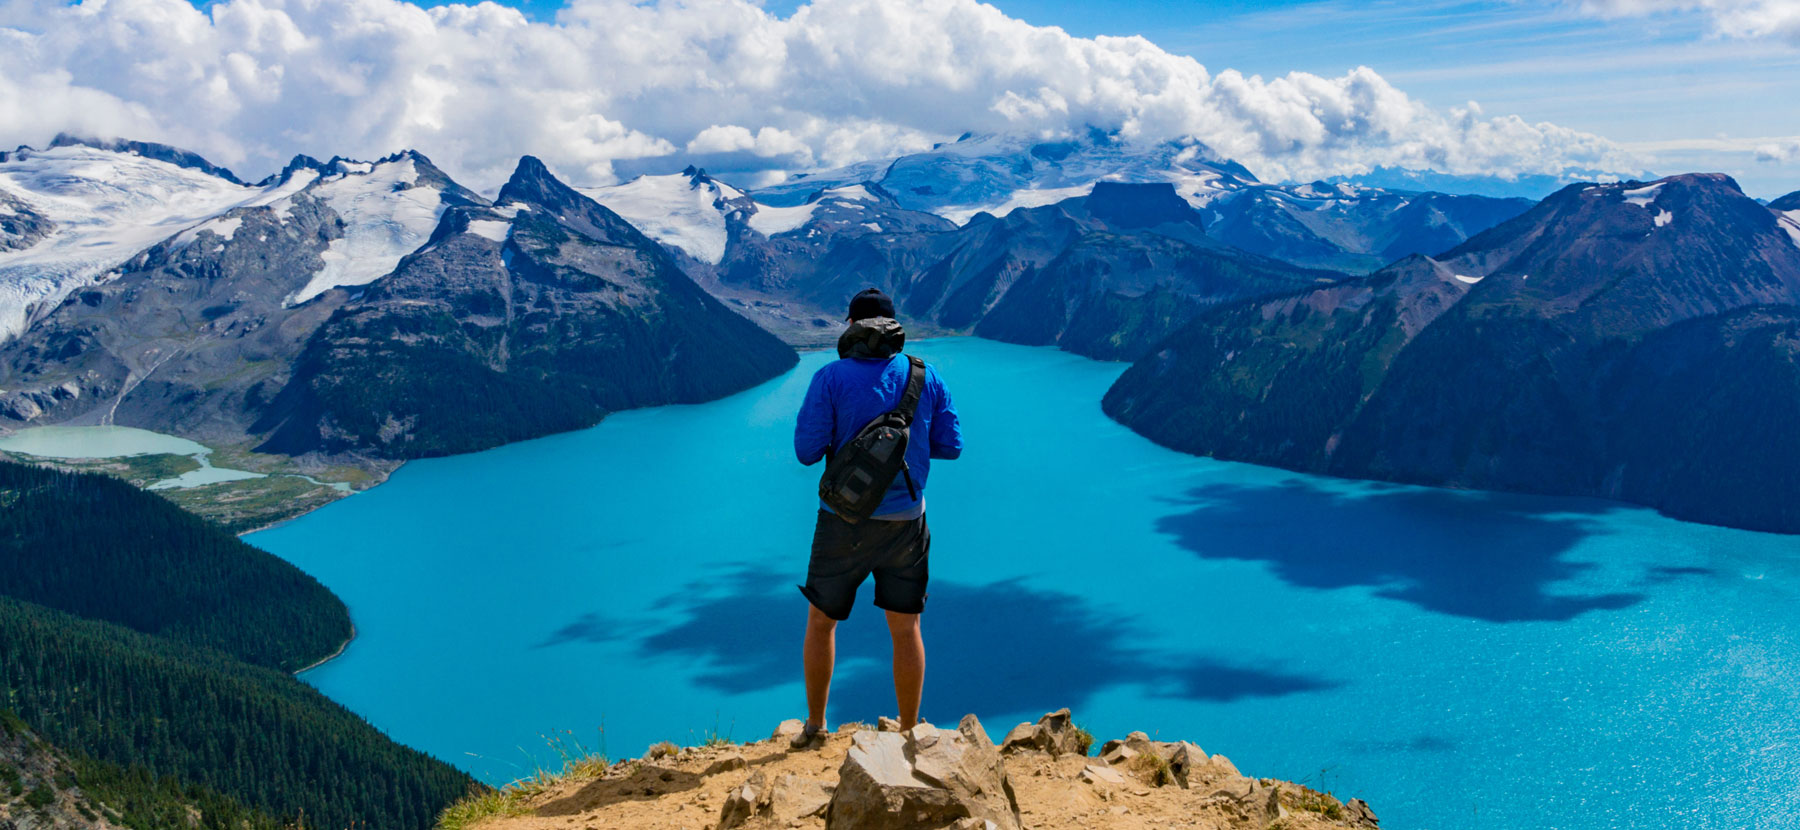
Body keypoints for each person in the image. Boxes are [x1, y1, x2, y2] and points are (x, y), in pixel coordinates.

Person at [790, 287, 962, 747]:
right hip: (907, 522)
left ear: (851, 326)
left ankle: (815, 728)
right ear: (893, 326)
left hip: (841, 522)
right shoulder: (928, 377)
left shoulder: (829, 378)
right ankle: (909, 732)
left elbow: (807, 452)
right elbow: (952, 446)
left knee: (822, 622)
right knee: (906, 629)